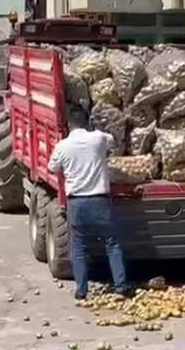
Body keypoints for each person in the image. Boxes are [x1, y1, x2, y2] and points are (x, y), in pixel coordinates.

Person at [47, 104, 131, 300]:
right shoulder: (98, 139)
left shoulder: (62, 146)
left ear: (69, 124)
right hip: (99, 201)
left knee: (78, 246)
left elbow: (53, 168)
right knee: (112, 243)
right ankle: (121, 286)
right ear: (88, 122)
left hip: (76, 203)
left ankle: (81, 290)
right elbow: (113, 141)